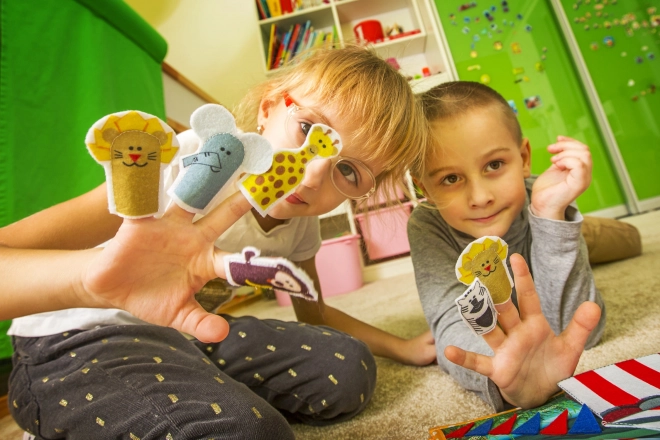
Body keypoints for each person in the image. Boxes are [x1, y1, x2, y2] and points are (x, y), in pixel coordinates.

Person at [3, 46, 432, 440]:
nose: (314, 175)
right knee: (246, 432)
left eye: (350, 172)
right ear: (267, 109)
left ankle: (183, 387)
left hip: (182, 338)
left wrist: (403, 348)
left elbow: (313, 313)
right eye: (307, 130)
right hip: (74, 341)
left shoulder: (301, 225)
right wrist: (90, 279)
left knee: (346, 366)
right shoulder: (194, 161)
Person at [407, 80, 640, 411]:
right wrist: (505, 370)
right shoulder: (426, 226)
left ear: (524, 157)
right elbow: (449, 322)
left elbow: (587, 330)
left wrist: (551, 218)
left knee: (628, 238)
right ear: (424, 189)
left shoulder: (545, 201)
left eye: (494, 165)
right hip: (526, 232)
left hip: (545, 223)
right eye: (450, 179)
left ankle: (582, 231)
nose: (481, 197)